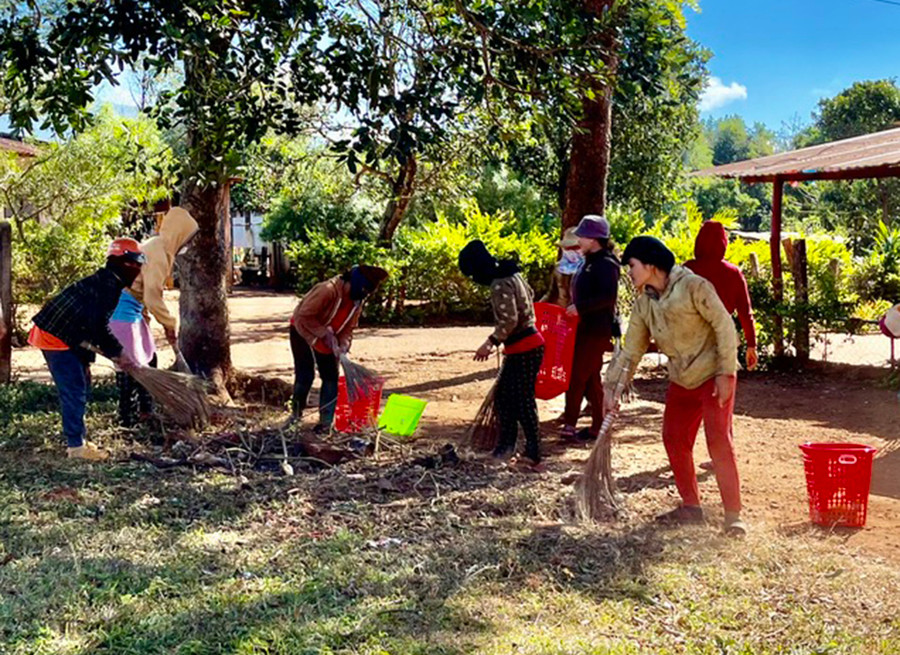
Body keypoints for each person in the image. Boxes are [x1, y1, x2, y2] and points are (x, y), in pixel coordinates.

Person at [604, 236, 746, 536]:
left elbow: (724, 326)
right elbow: (631, 350)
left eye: (632, 266)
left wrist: (725, 373)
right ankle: (691, 507)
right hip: (682, 378)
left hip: (713, 374)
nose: (629, 273)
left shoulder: (694, 287)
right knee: (673, 438)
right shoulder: (644, 303)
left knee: (718, 440)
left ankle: (733, 516)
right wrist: (613, 388)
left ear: (651, 266)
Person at [28, 238, 145, 461]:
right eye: (134, 263)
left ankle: (79, 439)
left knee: (82, 382)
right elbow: (97, 327)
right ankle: (76, 448)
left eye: (139, 264)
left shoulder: (108, 281)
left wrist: (94, 358)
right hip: (54, 336)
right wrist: (119, 353)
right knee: (74, 389)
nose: (138, 269)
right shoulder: (108, 285)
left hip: (65, 334)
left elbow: (87, 325)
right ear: (120, 262)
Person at [459, 240, 546, 470]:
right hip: (530, 344)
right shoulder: (512, 273)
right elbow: (530, 296)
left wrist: (490, 342)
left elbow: (509, 320)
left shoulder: (499, 283)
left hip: (523, 347)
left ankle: (530, 451)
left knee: (518, 400)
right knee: (509, 398)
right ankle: (509, 447)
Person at [110, 207, 198, 426]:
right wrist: (170, 324)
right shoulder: (159, 253)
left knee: (149, 358)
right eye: (188, 238)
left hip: (132, 311)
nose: (187, 244)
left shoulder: (158, 247)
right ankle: (127, 420)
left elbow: (142, 289)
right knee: (131, 365)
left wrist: (146, 323)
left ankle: (145, 412)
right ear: (180, 233)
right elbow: (152, 295)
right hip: (121, 311)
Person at [684, 220, 757, 472]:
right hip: (723, 344)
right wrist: (751, 345)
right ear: (724, 243)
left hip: (692, 343)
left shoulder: (687, 270)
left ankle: (683, 451)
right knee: (722, 403)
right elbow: (746, 313)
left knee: (690, 400)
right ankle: (723, 456)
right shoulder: (733, 273)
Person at [289, 264, 389, 433]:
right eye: (362, 290)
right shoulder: (327, 290)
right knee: (305, 375)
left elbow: (349, 327)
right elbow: (303, 315)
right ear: (352, 283)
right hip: (302, 330)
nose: (362, 296)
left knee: (330, 377)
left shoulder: (357, 300)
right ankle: (295, 416)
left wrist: (343, 344)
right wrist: (323, 333)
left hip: (330, 338)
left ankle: (325, 423)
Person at [560, 215, 620, 442]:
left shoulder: (606, 264)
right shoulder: (589, 260)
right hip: (583, 329)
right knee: (592, 378)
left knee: (577, 377)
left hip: (595, 331)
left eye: (582, 236)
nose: (579, 241)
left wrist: (581, 308)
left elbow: (608, 296)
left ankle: (569, 426)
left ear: (594, 239)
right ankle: (598, 426)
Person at [540, 227, 583, 308]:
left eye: (575, 247)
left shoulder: (589, 269)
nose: (571, 251)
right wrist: (538, 305)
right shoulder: (558, 268)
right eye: (567, 248)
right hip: (561, 313)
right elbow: (551, 293)